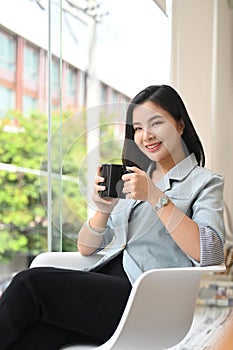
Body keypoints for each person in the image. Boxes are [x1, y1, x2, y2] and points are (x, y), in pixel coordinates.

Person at [0, 85, 225, 350]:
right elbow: (86, 247)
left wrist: (155, 197)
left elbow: (210, 253)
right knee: (32, 337)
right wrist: (103, 209)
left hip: (144, 300)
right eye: (137, 128)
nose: (145, 135)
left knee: (29, 282)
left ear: (180, 125)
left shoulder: (204, 182)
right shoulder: (133, 178)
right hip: (105, 293)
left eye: (156, 123)